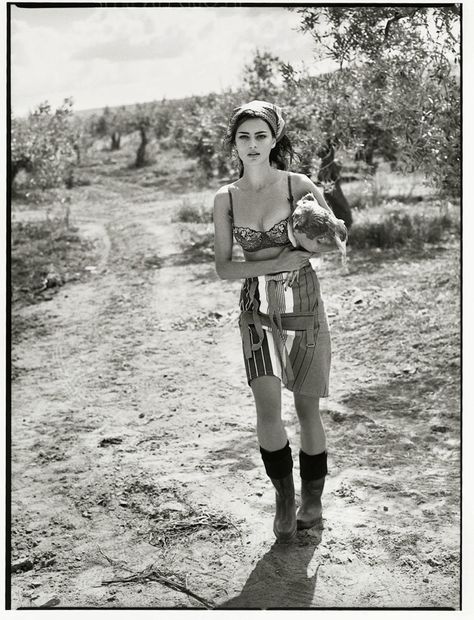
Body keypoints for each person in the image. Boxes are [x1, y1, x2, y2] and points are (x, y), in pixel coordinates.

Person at [213, 100, 334, 543]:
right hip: (255, 307)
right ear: (234, 144)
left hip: (302, 298)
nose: (252, 145)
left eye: (260, 136)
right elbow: (224, 267)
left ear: (274, 139)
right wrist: (274, 262)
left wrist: (315, 239)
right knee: (267, 408)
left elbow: (333, 234)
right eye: (243, 137)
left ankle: (313, 499)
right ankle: (284, 498)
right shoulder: (225, 197)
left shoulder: (296, 185)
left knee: (306, 407)